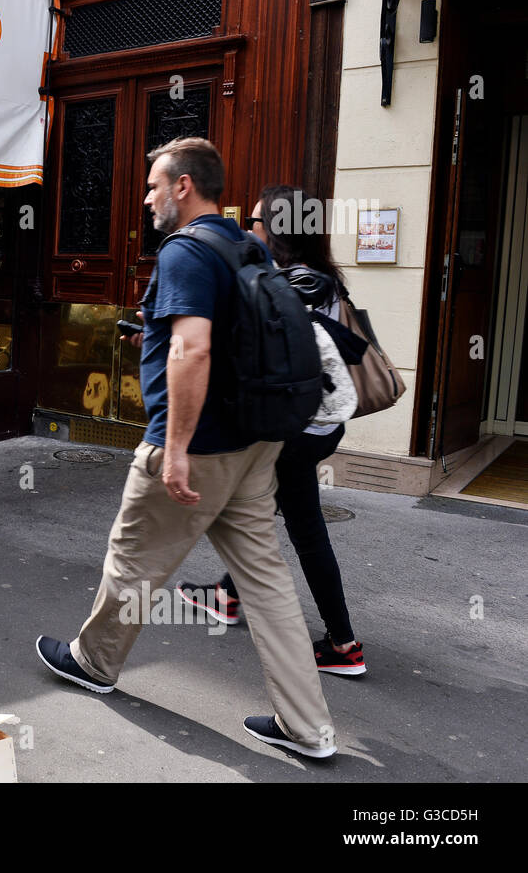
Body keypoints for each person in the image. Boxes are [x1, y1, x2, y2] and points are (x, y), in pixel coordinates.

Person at [35, 138, 337, 759]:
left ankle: (93, 661)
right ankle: (308, 727)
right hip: (256, 444)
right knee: (267, 583)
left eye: (152, 185)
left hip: (199, 446)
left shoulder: (185, 251)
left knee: (132, 559)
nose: (145, 197)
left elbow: (193, 349)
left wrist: (173, 449)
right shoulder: (245, 245)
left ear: (183, 187)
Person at [176, 185, 365, 676]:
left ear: (278, 230)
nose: (247, 229)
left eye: (255, 222)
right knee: (265, 514)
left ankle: (342, 645)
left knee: (289, 525)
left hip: (299, 428)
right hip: (312, 424)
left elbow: (257, 341)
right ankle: (228, 596)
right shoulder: (313, 278)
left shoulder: (303, 283)